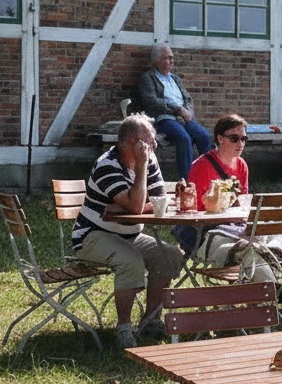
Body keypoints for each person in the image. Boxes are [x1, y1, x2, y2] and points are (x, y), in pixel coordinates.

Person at [70, 114, 184, 348]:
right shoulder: (107, 165)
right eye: (150, 141)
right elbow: (136, 206)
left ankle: (151, 321)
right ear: (134, 142)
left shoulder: (149, 160)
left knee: (170, 255)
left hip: (129, 235)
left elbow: (159, 201)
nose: (154, 146)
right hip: (92, 236)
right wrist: (139, 180)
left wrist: (136, 202)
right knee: (131, 261)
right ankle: (123, 329)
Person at [173, 114, 251, 256]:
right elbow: (195, 208)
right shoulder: (202, 166)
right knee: (249, 247)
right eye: (234, 139)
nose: (240, 144)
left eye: (243, 139)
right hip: (204, 230)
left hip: (232, 226)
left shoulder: (242, 166)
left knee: (267, 236)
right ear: (220, 139)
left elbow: (242, 202)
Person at [138, 43, 211, 179]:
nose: (171, 61)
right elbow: (151, 100)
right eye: (167, 58)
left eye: (172, 58)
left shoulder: (175, 78)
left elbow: (188, 98)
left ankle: (206, 175)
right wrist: (177, 109)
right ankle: (187, 180)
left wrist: (187, 112)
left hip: (183, 118)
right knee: (184, 138)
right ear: (156, 60)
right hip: (164, 118)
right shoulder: (148, 78)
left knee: (203, 136)